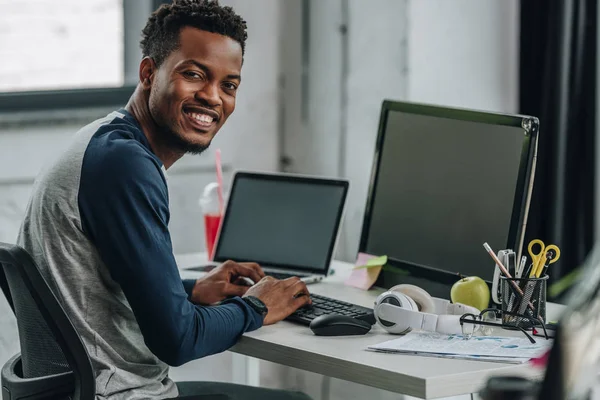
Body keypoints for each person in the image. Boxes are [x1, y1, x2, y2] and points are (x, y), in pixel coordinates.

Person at [16, 1, 313, 399]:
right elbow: (178, 340)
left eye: (229, 85)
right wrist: (257, 306)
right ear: (148, 72)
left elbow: (102, 282)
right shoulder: (125, 166)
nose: (212, 97)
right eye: (194, 75)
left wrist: (188, 290)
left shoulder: (104, 140)